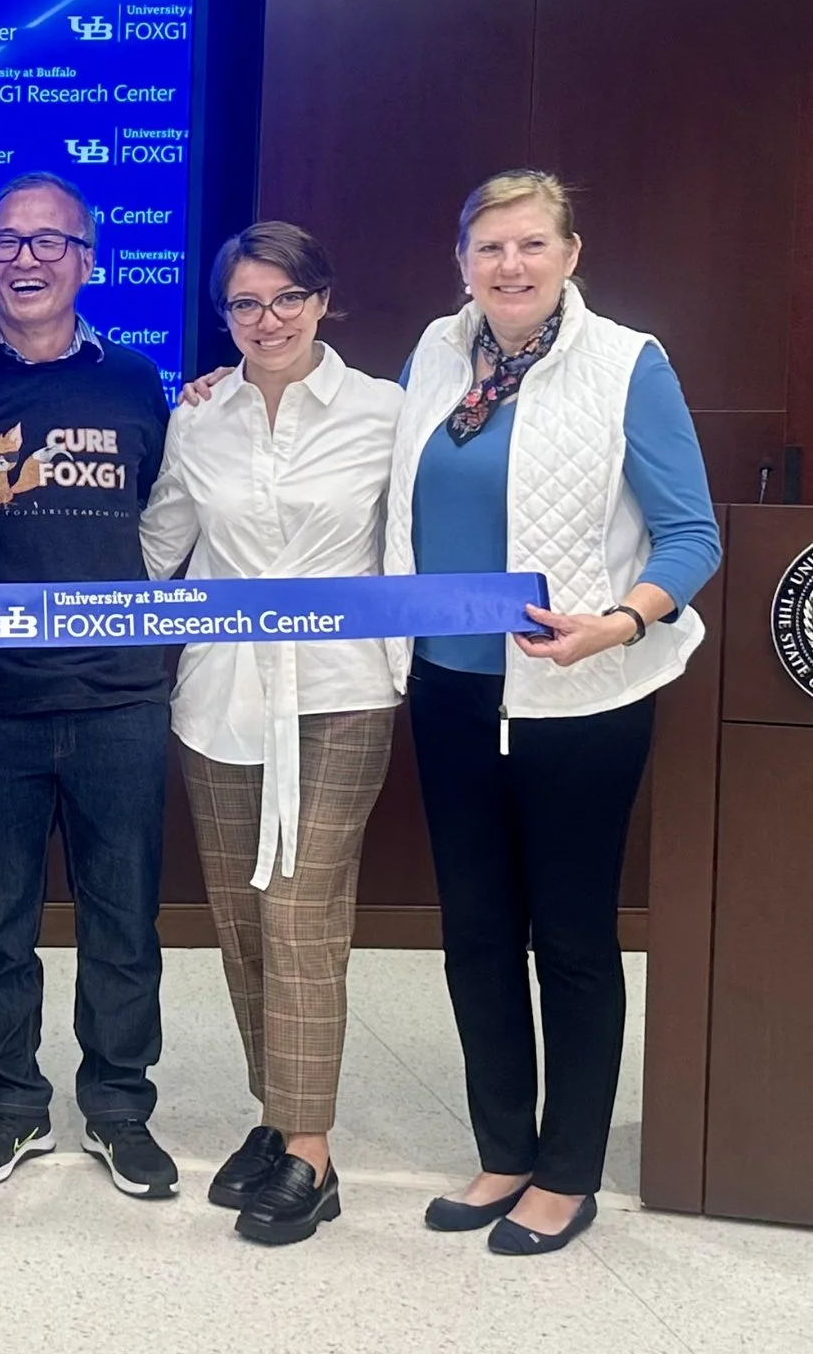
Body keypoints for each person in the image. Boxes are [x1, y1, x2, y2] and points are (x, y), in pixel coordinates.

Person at [391, 171, 718, 1254]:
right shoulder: (435, 357)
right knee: (475, 932)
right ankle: (502, 1148)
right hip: (447, 686)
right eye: (488, 248)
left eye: (532, 244)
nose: (510, 267)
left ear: (571, 253)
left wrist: (617, 623)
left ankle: (567, 1167)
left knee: (570, 936)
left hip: (579, 693)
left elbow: (690, 536)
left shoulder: (629, 363)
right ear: (462, 260)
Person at [0, 170, 178, 1201]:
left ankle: (119, 1107)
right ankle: (10, 1103)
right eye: (7, 242)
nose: (25, 259)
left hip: (119, 699)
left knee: (122, 919)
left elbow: (163, 522)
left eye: (48, 242)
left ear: (87, 258)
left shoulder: (137, 383)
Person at [139, 222, 405, 1245]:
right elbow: (160, 545)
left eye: (285, 298)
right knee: (243, 918)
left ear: (324, 297)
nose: (266, 320)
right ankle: (272, 1110)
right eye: (244, 305)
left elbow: (412, 548)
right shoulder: (199, 415)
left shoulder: (384, 411)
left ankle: (310, 1150)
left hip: (339, 695)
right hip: (217, 700)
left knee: (300, 912)